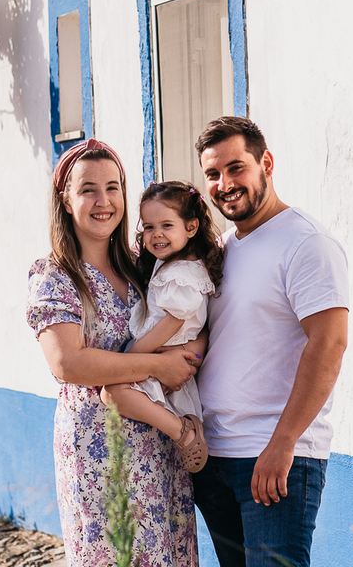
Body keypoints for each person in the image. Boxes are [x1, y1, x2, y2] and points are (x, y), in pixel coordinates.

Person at [27, 139, 204, 567]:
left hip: (162, 444)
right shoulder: (55, 275)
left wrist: (191, 354)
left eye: (113, 187)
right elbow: (69, 363)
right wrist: (158, 364)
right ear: (66, 200)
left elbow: (189, 315)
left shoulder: (141, 265)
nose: (103, 201)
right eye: (88, 189)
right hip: (100, 450)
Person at [192, 117, 349, 567]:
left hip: (274, 456)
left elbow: (329, 344)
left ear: (266, 163)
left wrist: (283, 443)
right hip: (217, 456)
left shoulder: (306, 243)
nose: (225, 183)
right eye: (213, 174)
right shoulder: (221, 248)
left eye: (236, 168)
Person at [100, 180, 225, 473]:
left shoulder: (182, 272)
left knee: (113, 391)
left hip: (163, 352)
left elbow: (173, 321)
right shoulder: (166, 262)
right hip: (165, 355)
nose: (156, 235)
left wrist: (132, 359)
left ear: (191, 227)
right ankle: (181, 429)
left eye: (167, 225)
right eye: (148, 227)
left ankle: (184, 432)